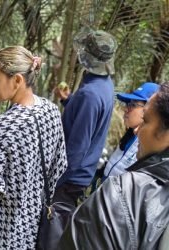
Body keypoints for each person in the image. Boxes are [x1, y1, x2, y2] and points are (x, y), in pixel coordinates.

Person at [0, 46, 67, 250]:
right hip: (31, 224)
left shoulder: (2, 125)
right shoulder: (51, 111)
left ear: (17, 80)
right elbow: (60, 164)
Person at [58, 83, 169, 250]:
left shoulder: (124, 193)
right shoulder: (129, 139)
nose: (126, 109)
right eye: (126, 104)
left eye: (133, 106)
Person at [53, 29, 117, 207]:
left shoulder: (90, 94)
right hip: (78, 176)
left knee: (51, 231)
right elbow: (89, 119)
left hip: (70, 179)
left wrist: (55, 181)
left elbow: (77, 147)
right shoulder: (104, 84)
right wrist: (69, 101)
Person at [101, 82, 159, 180]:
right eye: (128, 104)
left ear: (149, 110)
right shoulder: (130, 134)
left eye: (133, 104)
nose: (125, 109)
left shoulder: (148, 146)